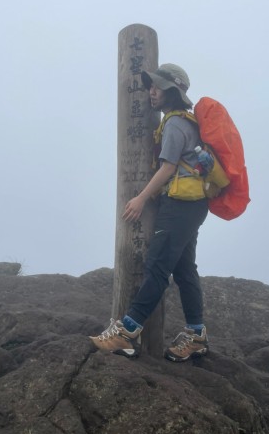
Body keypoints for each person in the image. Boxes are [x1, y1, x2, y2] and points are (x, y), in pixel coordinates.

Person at [89, 63, 209, 362]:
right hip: (193, 204)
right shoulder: (186, 122)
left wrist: (141, 198)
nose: (151, 91)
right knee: (183, 270)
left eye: (156, 86)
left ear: (172, 90)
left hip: (180, 205)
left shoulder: (174, 124)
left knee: (157, 266)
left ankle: (126, 332)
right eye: (150, 85)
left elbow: (168, 167)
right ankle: (196, 336)